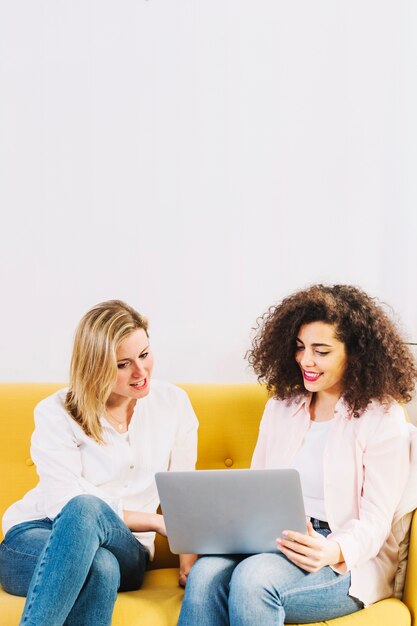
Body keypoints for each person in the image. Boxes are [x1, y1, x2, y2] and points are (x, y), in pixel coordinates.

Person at [178, 284, 417, 626]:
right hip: (274, 537)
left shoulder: (382, 417)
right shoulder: (280, 408)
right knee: (204, 575)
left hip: (344, 557)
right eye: (301, 347)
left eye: (321, 351)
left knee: (253, 579)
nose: (306, 360)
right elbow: (255, 491)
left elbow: (375, 521)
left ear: (355, 353)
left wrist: (332, 549)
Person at [0, 300, 198, 626]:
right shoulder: (55, 412)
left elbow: (183, 492)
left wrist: (189, 562)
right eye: (123, 364)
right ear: (95, 367)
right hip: (34, 538)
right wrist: (154, 520)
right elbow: (61, 502)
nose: (141, 372)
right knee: (98, 559)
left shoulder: (174, 404)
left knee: (89, 515)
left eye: (145, 355)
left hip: (127, 549)